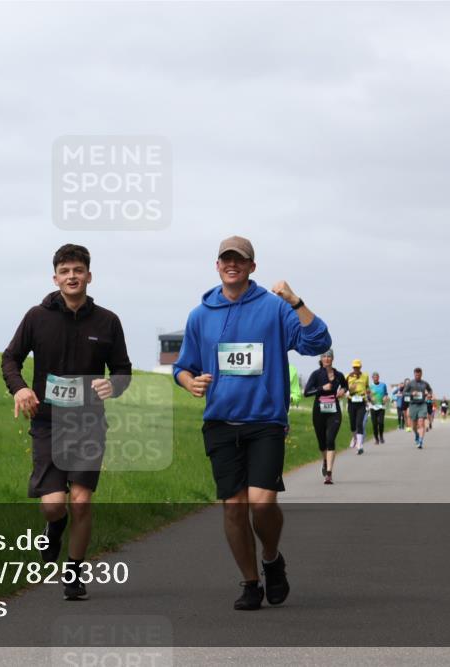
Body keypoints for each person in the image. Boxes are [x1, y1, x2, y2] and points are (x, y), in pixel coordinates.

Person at [172, 236, 331, 611]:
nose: (232, 265)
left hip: (265, 421)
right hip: (220, 422)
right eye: (226, 259)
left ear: (251, 267)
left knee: (261, 504)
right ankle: (249, 582)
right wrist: (189, 382)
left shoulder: (274, 308)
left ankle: (272, 559)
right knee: (233, 507)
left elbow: (317, 341)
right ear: (217, 265)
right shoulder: (200, 315)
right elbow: (182, 367)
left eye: (240, 260)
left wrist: (295, 301)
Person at [1, 244, 132, 601]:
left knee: (82, 501)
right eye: (65, 271)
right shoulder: (36, 317)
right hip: (47, 423)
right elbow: (10, 358)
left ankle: (74, 571)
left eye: (78, 270)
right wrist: (20, 388)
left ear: (89, 276)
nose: (72, 276)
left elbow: (123, 370)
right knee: (53, 505)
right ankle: (54, 526)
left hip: (89, 423)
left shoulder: (107, 321)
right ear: (55, 278)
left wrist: (114, 385)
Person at [303, 350, 346, 484]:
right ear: (321, 359)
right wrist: (322, 388)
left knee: (330, 440)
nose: (326, 359)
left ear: (332, 359)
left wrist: (342, 390)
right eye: (324, 356)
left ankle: (329, 474)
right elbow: (307, 392)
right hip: (319, 412)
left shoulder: (339, 375)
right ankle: (325, 460)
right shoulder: (316, 374)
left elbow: (345, 385)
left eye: (329, 356)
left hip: (334, 411)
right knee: (322, 443)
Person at [403, 368, 434, 449]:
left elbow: (430, 390)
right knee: (414, 426)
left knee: (421, 422)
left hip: (422, 404)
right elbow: (404, 393)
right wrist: (411, 393)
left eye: (419, 375)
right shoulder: (410, 383)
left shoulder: (425, 383)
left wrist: (429, 394)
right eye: (416, 375)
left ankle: (420, 441)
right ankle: (417, 435)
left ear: (421, 374)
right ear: (414, 374)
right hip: (413, 405)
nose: (417, 376)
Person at [345, 360, 369, 454]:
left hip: (361, 402)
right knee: (352, 424)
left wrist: (368, 395)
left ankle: (359, 445)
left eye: (358, 367)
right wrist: (348, 391)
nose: (356, 369)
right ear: (352, 367)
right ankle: (354, 438)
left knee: (359, 423)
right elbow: (344, 388)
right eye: (355, 367)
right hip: (351, 402)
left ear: (360, 367)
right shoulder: (347, 376)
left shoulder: (365, 376)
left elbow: (367, 387)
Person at [368, 372, 389, 444]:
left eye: (377, 377)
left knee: (381, 422)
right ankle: (376, 439)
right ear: (372, 378)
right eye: (374, 377)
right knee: (374, 424)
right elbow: (367, 395)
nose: (375, 378)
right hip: (373, 407)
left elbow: (386, 394)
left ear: (378, 377)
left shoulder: (383, 385)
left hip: (381, 406)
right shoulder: (370, 386)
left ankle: (381, 436)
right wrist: (371, 400)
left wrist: (385, 398)